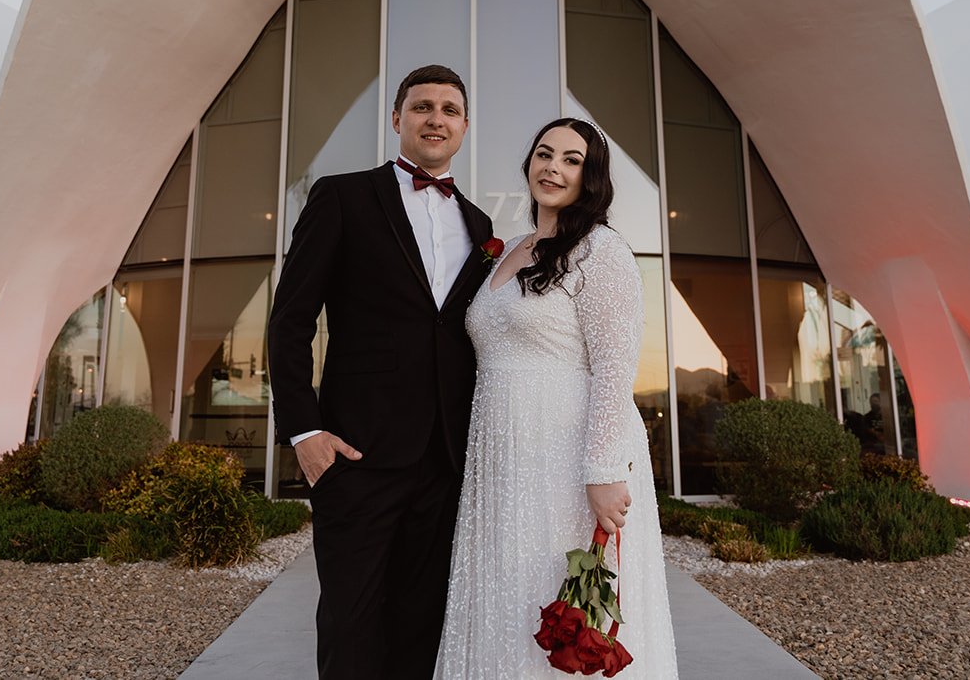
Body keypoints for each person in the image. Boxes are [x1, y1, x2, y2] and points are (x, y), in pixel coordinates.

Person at [268, 65, 495, 680]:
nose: (435, 119)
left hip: (445, 459)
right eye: (422, 107)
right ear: (397, 119)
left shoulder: (481, 227)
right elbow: (290, 320)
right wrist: (303, 432)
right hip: (356, 452)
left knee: (422, 621)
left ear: (465, 127)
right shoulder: (342, 196)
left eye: (450, 110)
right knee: (351, 620)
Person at [435, 118, 679, 679]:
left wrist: (602, 468)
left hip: (568, 458)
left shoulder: (602, 251)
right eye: (544, 154)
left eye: (572, 160)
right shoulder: (508, 251)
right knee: (505, 590)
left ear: (590, 178)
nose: (553, 167)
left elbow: (615, 371)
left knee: (560, 590)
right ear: (528, 166)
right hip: (499, 456)